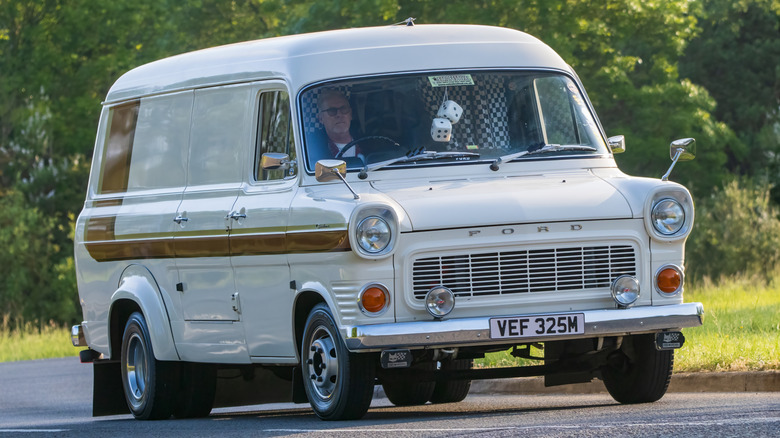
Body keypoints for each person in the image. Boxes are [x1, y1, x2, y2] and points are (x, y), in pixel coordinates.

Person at [316, 90, 360, 158]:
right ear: (321, 118)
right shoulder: (316, 151)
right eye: (332, 111)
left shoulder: (369, 144)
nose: (339, 114)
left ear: (350, 114)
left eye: (343, 109)